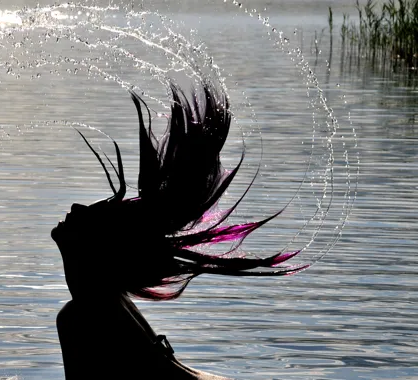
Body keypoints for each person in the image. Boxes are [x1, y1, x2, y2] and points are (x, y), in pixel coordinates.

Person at [51, 79, 307, 379]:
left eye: (91, 216)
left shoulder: (83, 315)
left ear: (97, 245)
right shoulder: (109, 302)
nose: (76, 208)